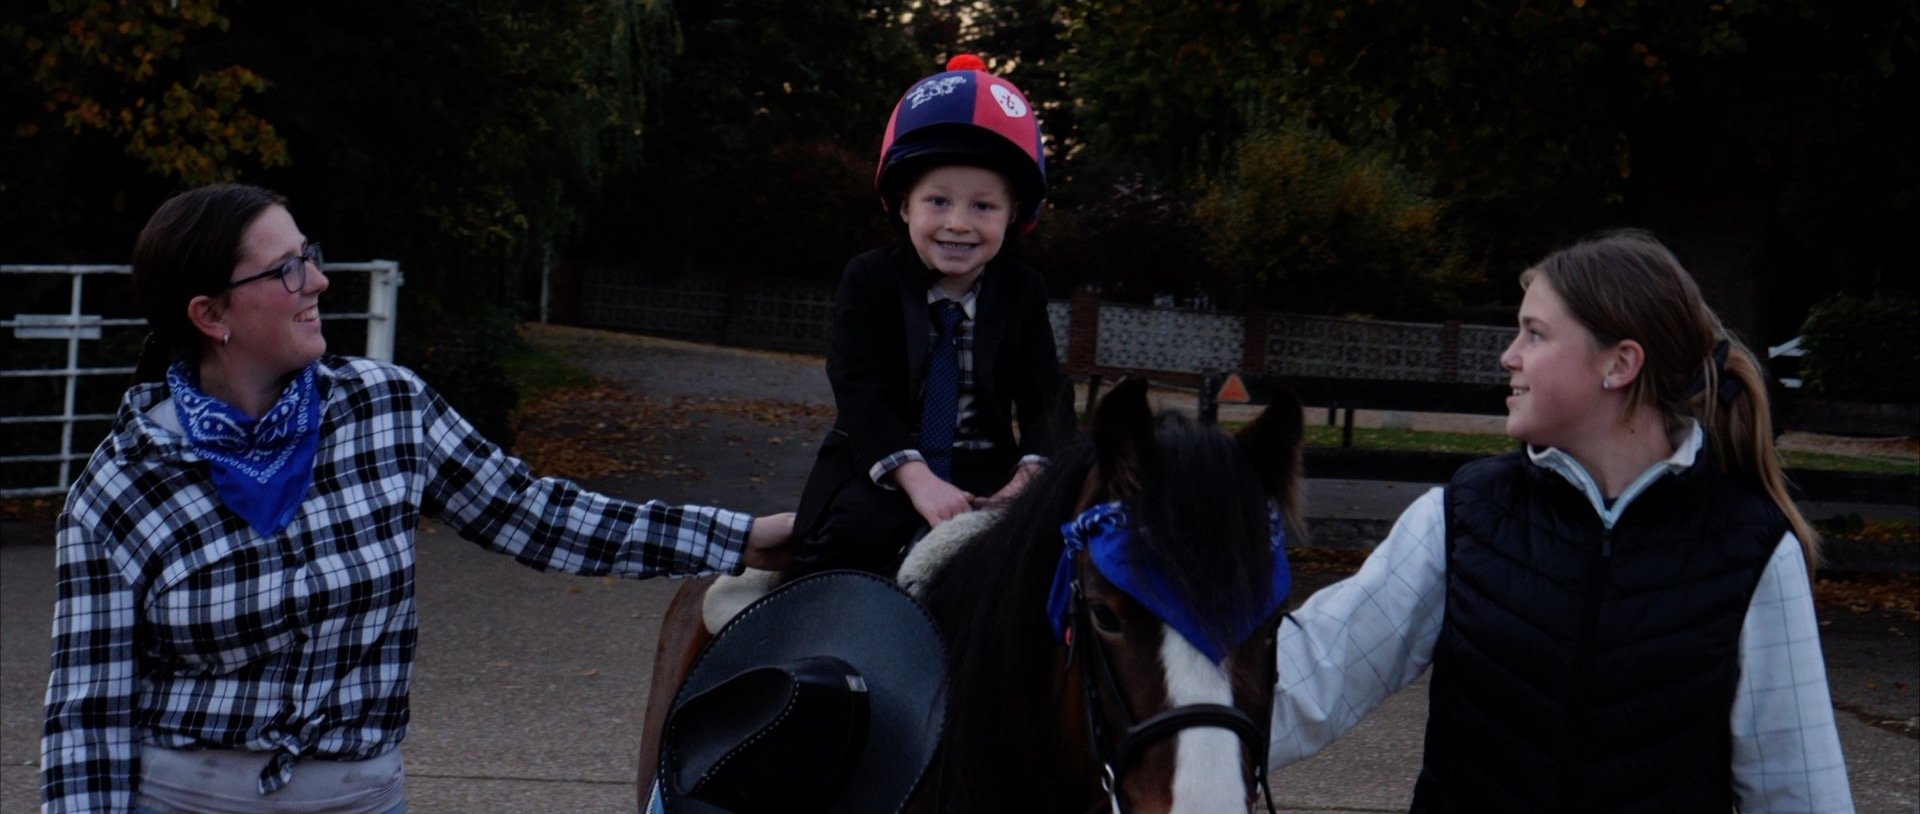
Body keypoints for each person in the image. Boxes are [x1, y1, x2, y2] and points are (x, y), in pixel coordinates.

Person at [41, 183, 795, 814]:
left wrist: (742, 537)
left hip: (359, 795)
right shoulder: (121, 488)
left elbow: (538, 514)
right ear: (210, 316)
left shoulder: (386, 410)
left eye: (311, 256)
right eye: (287, 270)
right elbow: (85, 716)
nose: (318, 282)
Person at [1269, 232, 1853, 811]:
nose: (1509, 356)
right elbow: (1312, 675)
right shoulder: (1460, 519)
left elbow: (1798, 789)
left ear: (1620, 363)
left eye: (1535, 333)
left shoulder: (1751, 550)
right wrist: (1190, 699)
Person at [788, 54, 1069, 579]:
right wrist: (917, 479)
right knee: (848, 541)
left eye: (984, 207)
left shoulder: (1021, 291)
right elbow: (859, 391)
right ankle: (806, 648)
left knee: (1054, 562)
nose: (958, 224)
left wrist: (1030, 474)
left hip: (988, 467)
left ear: (1013, 215)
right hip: (885, 465)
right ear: (903, 205)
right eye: (938, 201)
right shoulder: (870, 279)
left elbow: (1044, 394)